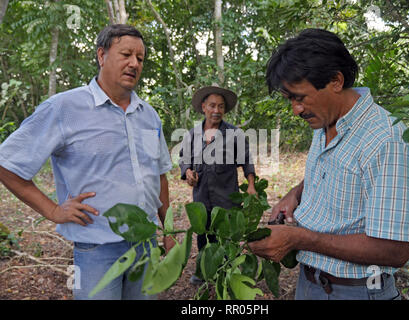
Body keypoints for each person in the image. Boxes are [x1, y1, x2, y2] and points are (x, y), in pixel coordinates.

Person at [248, 28, 409, 300]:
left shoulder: (387, 144)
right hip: (311, 283)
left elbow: (395, 250)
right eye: (290, 100)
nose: (295, 110)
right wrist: (294, 194)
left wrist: (298, 238)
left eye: (300, 97)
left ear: (335, 80)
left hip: (355, 292)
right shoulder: (324, 121)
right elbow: (332, 170)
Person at [0, 24, 175, 300]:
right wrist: (54, 211)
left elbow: (159, 174)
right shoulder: (64, 108)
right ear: (101, 55)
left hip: (146, 245)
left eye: (140, 59)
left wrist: (170, 229)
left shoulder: (148, 115)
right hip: (96, 249)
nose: (134, 63)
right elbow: (6, 163)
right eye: (126, 54)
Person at [179, 85, 257, 284]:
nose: (216, 110)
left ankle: (227, 270)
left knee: (225, 236)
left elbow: (247, 160)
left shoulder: (234, 134)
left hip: (226, 197)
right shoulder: (192, 134)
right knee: (203, 234)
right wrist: (187, 172)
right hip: (202, 197)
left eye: (221, 106)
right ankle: (203, 272)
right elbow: (184, 159)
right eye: (212, 105)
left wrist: (251, 185)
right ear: (203, 107)